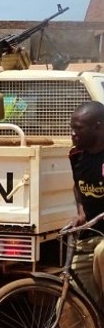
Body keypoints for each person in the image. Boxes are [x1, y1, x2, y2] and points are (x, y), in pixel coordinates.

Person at [68, 101, 104, 307]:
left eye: (78, 128)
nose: (73, 133)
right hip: (90, 233)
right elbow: (77, 185)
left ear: (97, 127)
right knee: (73, 301)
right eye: (71, 128)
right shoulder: (76, 155)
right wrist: (81, 211)